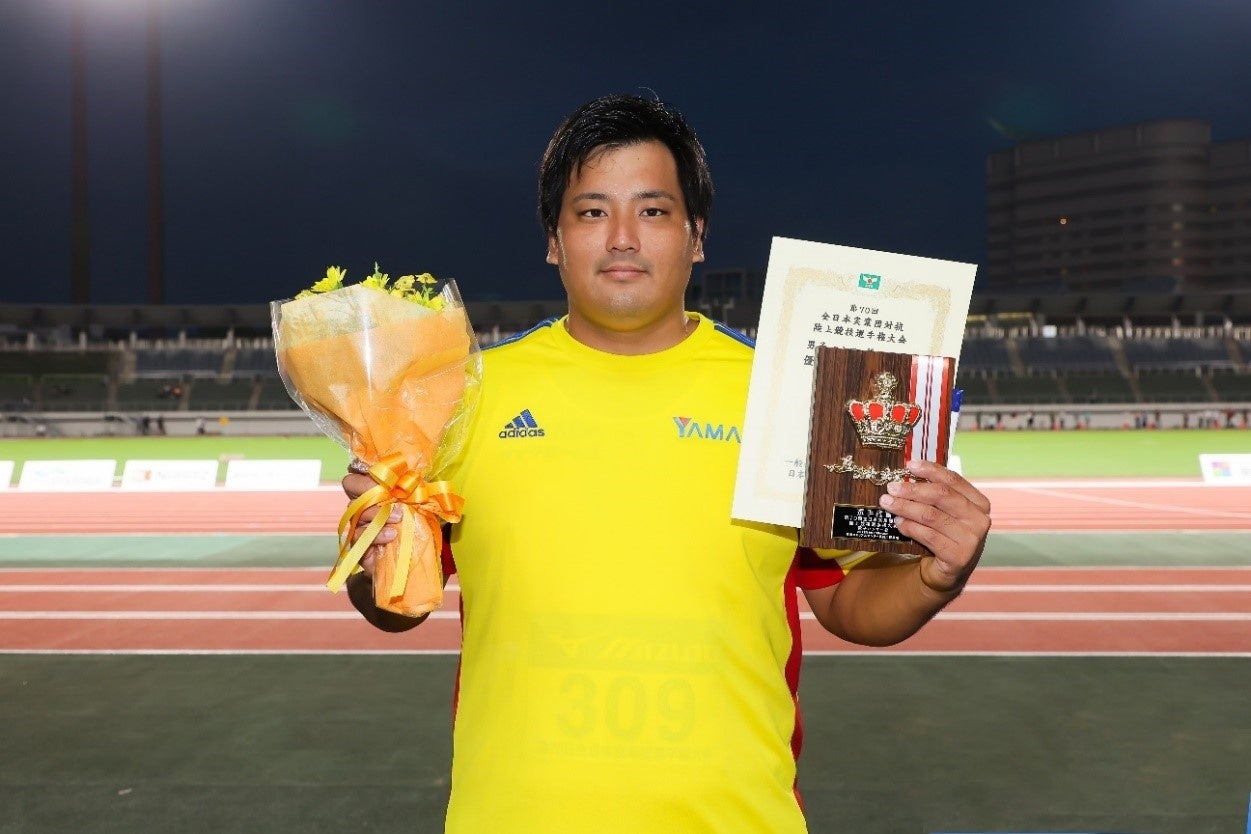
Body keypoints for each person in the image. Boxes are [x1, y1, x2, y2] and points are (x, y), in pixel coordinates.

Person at [341, 94, 992, 833]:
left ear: (696, 235)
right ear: (553, 240)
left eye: (652, 211)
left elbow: (851, 604)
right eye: (591, 212)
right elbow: (395, 605)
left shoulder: (795, 392)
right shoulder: (457, 397)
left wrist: (935, 575)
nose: (622, 238)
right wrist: (375, 555)